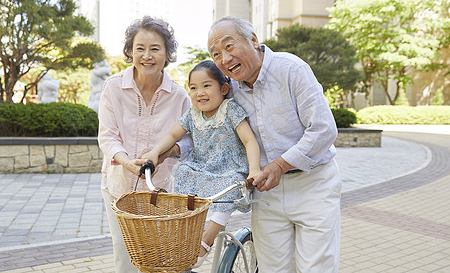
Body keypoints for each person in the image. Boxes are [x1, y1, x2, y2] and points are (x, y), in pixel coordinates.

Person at [208, 16, 342, 273]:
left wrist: (280, 166)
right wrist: (172, 149)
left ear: (253, 40)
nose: (224, 59)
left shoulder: (291, 68)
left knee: (316, 268)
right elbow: (204, 126)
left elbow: (324, 129)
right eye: (216, 54)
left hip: (313, 183)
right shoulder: (230, 89)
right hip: (266, 194)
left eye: (229, 46)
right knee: (273, 269)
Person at [142, 60, 262, 268]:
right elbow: (172, 134)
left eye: (207, 86)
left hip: (229, 168)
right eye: (194, 88)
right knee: (182, 172)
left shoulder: (230, 110)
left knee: (231, 186)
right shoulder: (192, 114)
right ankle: (182, 237)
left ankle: (206, 241)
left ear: (224, 88)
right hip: (201, 166)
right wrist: (154, 152)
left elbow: (249, 140)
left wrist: (254, 170)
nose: (200, 93)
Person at [97, 16, 191, 273]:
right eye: (140, 48)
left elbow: (189, 141)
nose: (147, 56)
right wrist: (127, 162)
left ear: (167, 53)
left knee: (156, 260)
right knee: (125, 259)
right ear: (130, 51)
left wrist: (165, 153)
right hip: (119, 188)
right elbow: (107, 136)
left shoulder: (179, 95)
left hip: (157, 191)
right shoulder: (113, 87)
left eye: (155, 49)